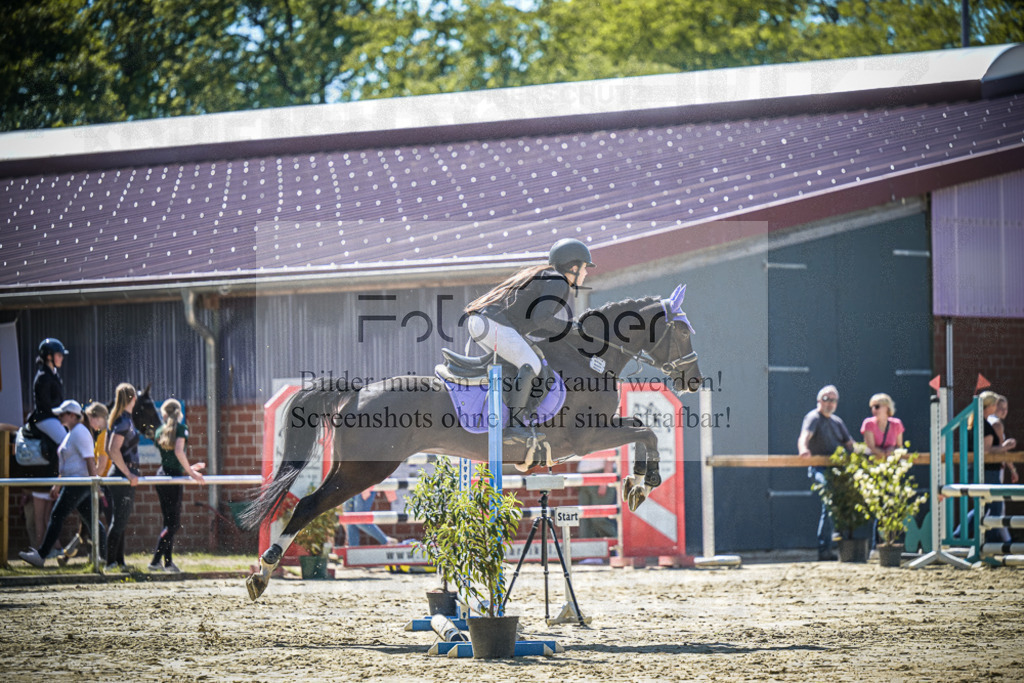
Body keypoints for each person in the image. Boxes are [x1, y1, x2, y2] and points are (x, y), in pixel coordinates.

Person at [464, 238, 593, 443]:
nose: (586, 273)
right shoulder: (559, 281)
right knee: (530, 363)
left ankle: (503, 415)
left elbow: (538, 325)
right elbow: (541, 319)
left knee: (515, 366)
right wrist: (572, 328)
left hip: (482, 322)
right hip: (492, 322)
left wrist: (567, 331)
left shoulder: (548, 277)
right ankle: (514, 425)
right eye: (585, 268)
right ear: (574, 267)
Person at [18, 400, 107, 568]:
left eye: (63, 413)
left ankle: (41, 555)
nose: (59, 416)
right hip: (74, 482)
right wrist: (58, 485)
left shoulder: (79, 432)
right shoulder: (72, 432)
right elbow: (68, 463)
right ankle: (106, 557)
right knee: (92, 521)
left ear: (73, 416)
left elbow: (89, 461)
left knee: (57, 516)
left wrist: (95, 484)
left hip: (77, 484)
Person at [798, 385, 855, 561]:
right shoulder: (813, 418)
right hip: (819, 468)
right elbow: (804, 437)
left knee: (846, 501)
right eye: (826, 399)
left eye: (833, 400)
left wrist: (866, 453)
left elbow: (850, 444)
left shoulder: (837, 422)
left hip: (838, 469)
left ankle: (841, 542)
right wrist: (803, 450)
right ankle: (824, 549)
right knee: (829, 500)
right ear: (818, 401)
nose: (829, 403)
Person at [148, 399, 205, 573]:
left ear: (164, 413)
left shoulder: (159, 431)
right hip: (172, 478)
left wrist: (188, 468)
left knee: (168, 522)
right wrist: (192, 473)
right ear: (178, 413)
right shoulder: (182, 429)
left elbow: (171, 459)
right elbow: (178, 452)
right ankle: (156, 561)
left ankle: (167, 563)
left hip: (162, 475)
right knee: (173, 524)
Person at [25, 338, 69, 550]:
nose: (61, 358)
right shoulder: (43, 376)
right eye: (58, 354)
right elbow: (47, 404)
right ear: (49, 356)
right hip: (44, 418)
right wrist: (63, 414)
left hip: (54, 417)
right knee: (65, 443)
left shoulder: (53, 374)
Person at [105, 383, 141, 572]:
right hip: (122, 477)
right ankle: (110, 562)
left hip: (122, 476)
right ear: (133, 398)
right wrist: (128, 473)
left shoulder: (121, 419)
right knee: (118, 521)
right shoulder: (124, 421)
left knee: (121, 520)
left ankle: (119, 562)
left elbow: (107, 448)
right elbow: (112, 449)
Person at [861, 393, 905, 458]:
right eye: (871, 407)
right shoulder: (868, 423)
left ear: (887, 407)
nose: (873, 409)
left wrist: (892, 450)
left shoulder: (897, 424)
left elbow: (899, 446)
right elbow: (870, 448)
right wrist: (886, 453)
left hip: (892, 463)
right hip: (873, 464)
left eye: (876, 406)